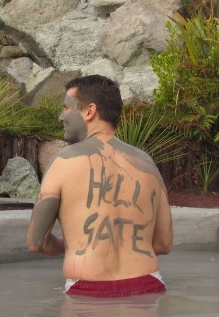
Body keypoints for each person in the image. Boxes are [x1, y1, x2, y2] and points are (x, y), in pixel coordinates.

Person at [27, 75, 173, 298]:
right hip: (148, 288)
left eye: (66, 108)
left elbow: (36, 243)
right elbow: (164, 244)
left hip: (87, 293)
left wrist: (75, 244)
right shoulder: (147, 163)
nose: (60, 116)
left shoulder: (62, 162)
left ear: (89, 111)